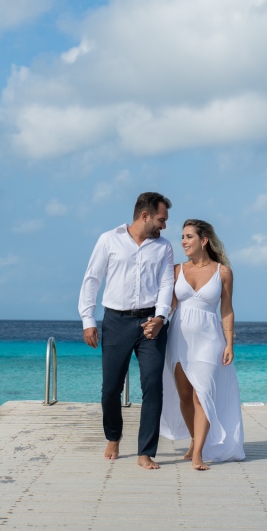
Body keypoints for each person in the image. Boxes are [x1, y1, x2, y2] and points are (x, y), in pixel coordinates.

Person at [78, 192, 175, 470]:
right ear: (144, 216)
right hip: (115, 322)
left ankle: (146, 451)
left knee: (153, 386)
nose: (164, 226)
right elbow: (92, 279)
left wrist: (160, 317)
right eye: (161, 219)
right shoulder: (109, 240)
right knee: (110, 390)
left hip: (151, 324)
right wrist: (88, 320)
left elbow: (167, 283)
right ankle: (113, 435)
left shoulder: (164, 247)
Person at [157, 219, 245, 470]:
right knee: (185, 395)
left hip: (209, 339)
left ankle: (198, 454)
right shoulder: (176, 270)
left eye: (188, 237)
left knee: (202, 394)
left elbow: (227, 310)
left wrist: (230, 343)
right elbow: (170, 305)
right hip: (179, 338)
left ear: (203, 240)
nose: (183, 241)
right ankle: (196, 441)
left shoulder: (223, 272)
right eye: (182, 237)